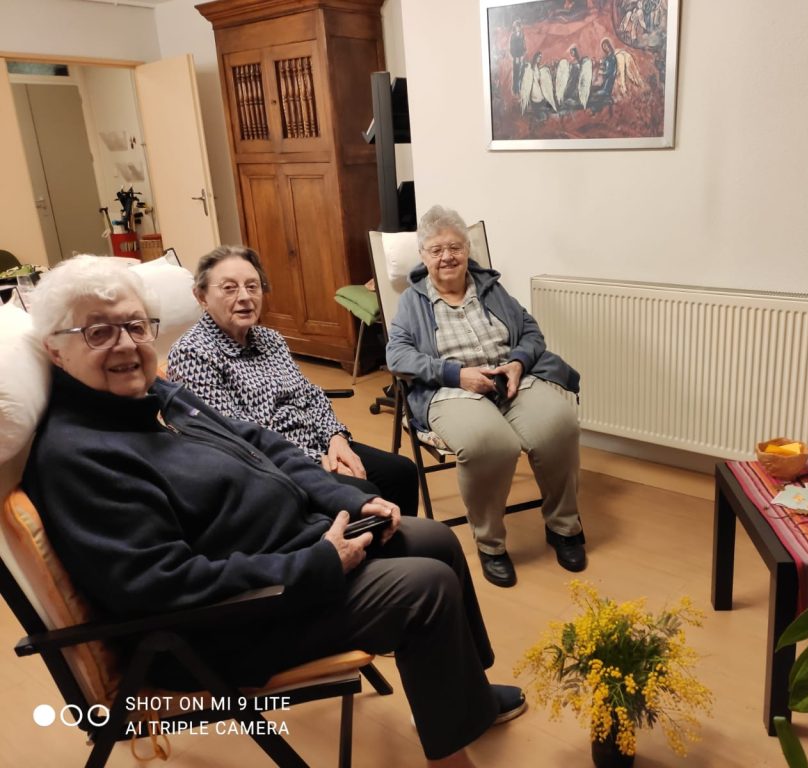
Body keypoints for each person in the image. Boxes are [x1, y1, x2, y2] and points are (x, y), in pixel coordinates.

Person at [22, 255, 524, 767]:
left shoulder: (157, 395)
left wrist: (346, 496)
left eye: (134, 326)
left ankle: (467, 698)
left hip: (290, 549)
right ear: (55, 351)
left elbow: (259, 441)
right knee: (424, 588)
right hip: (228, 621)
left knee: (434, 539)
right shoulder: (77, 457)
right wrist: (317, 564)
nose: (127, 345)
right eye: (98, 332)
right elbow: (161, 586)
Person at [386, 205, 586, 589]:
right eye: (436, 249)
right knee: (490, 445)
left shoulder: (491, 288)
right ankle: (491, 544)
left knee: (559, 425)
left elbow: (531, 333)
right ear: (423, 256)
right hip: (452, 388)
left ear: (467, 250)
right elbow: (398, 357)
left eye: (455, 247)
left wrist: (517, 362)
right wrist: (456, 373)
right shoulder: (413, 302)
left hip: (509, 379)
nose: (447, 256)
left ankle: (563, 527)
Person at [166, 245, 419, 518]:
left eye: (253, 286)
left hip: (317, 443)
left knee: (401, 472)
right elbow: (236, 438)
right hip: (268, 468)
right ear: (201, 296)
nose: (245, 297)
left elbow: (310, 395)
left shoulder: (270, 339)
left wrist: (336, 439)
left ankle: (403, 547)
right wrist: (314, 462)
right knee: (363, 491)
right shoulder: (192, 353)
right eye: (229, 288)